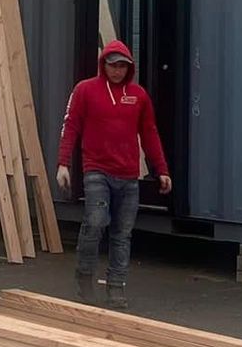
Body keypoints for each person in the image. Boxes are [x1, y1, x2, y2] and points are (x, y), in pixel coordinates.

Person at [55, 40, 170, 309]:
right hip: (96, 170)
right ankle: (84, 276)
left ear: (128, 68)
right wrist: (63, 163)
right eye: (112, 65)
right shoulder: (85, 90)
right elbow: (70, 125)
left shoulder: (138, 95)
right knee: (95, 222)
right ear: (103, 64)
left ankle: (116, 286)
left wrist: (161, 169)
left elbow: (150, 133)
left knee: (122, 233)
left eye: (122, 66)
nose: (117, 71)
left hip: (128, 175)